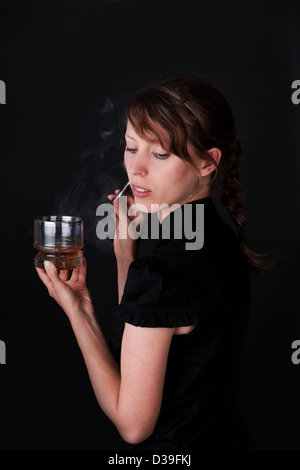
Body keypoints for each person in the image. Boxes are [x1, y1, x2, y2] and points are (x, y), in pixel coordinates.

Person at [36, 74, 270, 450]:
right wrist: (125, 253)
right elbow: (145, 326)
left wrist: (77, 310)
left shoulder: (163, 273)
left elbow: (133, 426)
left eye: (160, 153)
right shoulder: (220, 239)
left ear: (208, 162)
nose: (137, 169)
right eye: (131, 147)